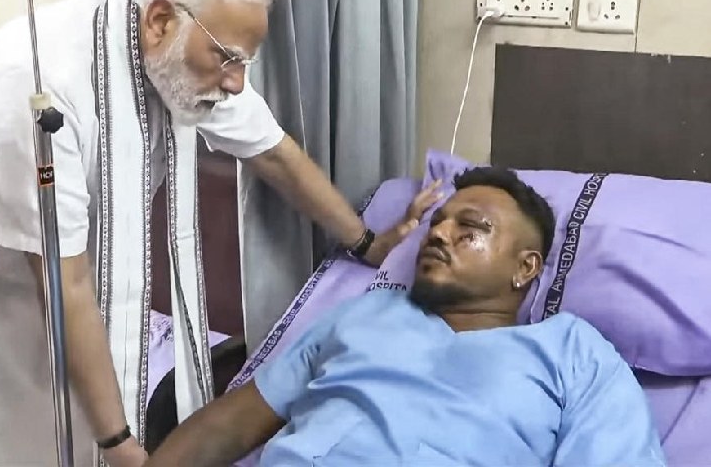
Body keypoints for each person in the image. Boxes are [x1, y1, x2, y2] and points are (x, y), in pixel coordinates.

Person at [0, 0, 424, 467]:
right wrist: (118, 439)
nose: (237, 82)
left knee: (40, 417)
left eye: (244, 63)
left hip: (31, 261)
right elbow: (67, 281)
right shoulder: (44, 83)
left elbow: (275, 154)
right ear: (159, 19)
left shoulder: (190, 62)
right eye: (229, 60)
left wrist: (367, 242)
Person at [146, 167, 667, 467]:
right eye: (436, 223)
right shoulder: (368, 312)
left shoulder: (574, 354)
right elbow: (235, 420)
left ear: (525, 268)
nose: (438, 234)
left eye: (471, 228)